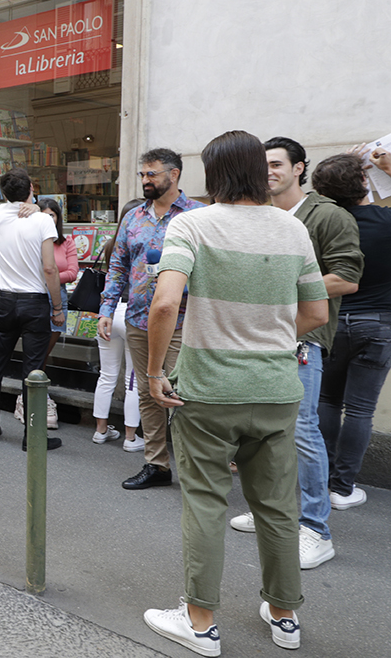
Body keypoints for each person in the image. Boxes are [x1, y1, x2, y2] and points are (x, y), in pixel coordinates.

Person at [142, 130, 327, 657]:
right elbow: (316, 313)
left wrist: (156, 374)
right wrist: (275, 338)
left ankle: (200, 624)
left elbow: (163, 305)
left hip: (208, 391)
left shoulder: (193, 224)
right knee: (276, 506)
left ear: (213, 172)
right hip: (275, 390)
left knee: (204, 502)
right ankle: (285, 615)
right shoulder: (292, 230)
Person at [226, 139, 363, 572]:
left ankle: (316, 530)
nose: (268, 172)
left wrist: (281, 293)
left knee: (302, 430)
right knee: (260, 429)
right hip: (257, 338)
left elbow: (346, 277)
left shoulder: (327, 215)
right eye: (261, 165)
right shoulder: (259, 215)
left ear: (299, 168)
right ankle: (269, 509)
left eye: (276, 164)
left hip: (302, 339)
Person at [99, 148, 206, 490]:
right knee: (147, 391)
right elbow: (117, 266)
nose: (145, 181)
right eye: (142, 175)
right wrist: (106, 308)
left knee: (180, 393)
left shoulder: (198, 215)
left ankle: (197, 469)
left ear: (174, 175)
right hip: (138, 320)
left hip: (181, 321)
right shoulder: (133, 218)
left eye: (152, 174)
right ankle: (157, 464)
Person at [311, 150, 391, 512]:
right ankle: (343, 488)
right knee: (360, 410)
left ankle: (323, 480)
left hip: (330, 321)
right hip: (379, 324)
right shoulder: (384, 221)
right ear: (363, 181)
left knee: (326, 401)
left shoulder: (323, 223)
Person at [0, 167, 63, 448]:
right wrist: (58, 306)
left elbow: (14, 204)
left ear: (3, 193)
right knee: (33, 372)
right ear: (31, 189)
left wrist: (32, 203)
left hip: (6, 300)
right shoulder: (42, 220)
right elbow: (50, 269)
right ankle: (33, 436)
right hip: (35, 302)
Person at [90, 200, 146, 451]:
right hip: (132, 313)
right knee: (132, 379)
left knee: (107, 375)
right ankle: (131, 437)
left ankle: (101, 431)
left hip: (109, 312)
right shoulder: (144, 242)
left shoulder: (110, 244)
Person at [35, 197, 78, 430]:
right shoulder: (33, 239)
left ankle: (36, 394)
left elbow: (72, 272)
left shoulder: (67, 241)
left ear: (58, 218)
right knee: (36, 351)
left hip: (58, 297)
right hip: (35, 296)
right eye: (44, 214)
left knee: (44, 352)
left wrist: (49, 277)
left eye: (52, 215)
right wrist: (45, 276)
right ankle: (35, 398)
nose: (49, 218)